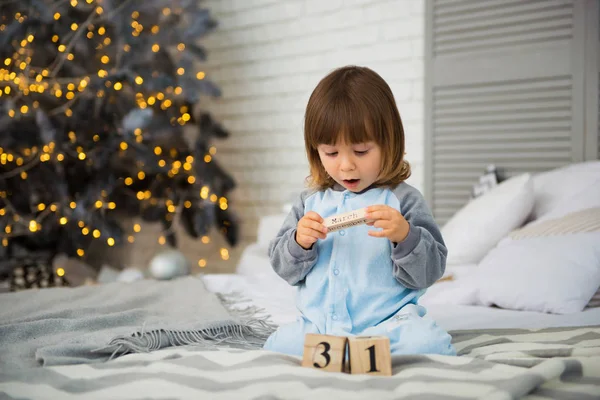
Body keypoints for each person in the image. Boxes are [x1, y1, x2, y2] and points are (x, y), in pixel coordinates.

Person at [263, 66, 455, 357]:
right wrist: (299, 242)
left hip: (389, 326)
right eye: (331, 153)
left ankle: (360, 352)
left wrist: (406, 237)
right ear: (316, 151)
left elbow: (430, 271)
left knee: (428, 344)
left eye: (361, 151)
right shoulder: (309, 203)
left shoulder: (404, 200)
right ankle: (349, 353)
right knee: (276, 347)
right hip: (321, 326)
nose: (346, 166)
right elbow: (283, 268)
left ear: (388, 143)